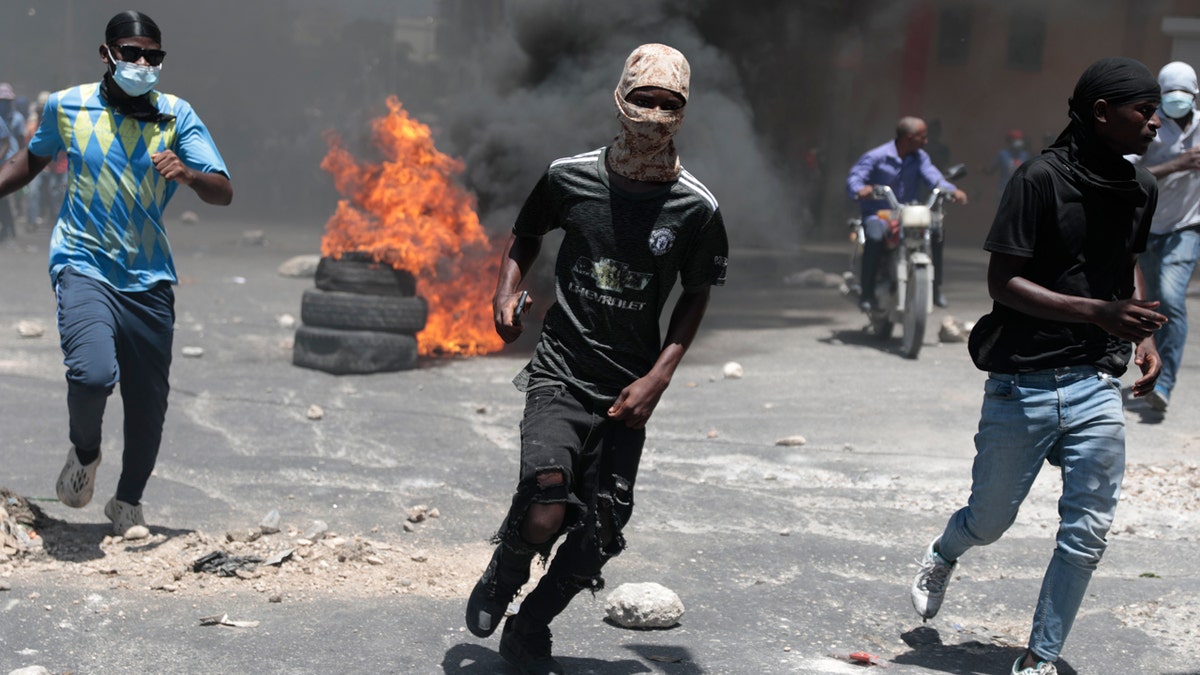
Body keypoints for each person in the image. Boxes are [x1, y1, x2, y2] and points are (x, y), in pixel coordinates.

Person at [465, 43, 728, 674]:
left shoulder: (697, 208)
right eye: (644, 100)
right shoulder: (569, 177)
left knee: (602, 530)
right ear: (619, 100)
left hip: (626, 390)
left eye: (670, 105)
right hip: (561, 368)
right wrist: (505, 293)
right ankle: (506, 570)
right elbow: (526, 234)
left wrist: (658, 378)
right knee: (546, 497)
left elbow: (696, 295)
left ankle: (531, 625)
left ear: (684, 112)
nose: (654, 115)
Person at [909, 57, 1164, 675]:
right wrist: (1098, 312)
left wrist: (1139, 334)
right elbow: (1004, 282)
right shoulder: (1038, 179)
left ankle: (1040, 658)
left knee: (1087, 532)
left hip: (1094, 382)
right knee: (990, 521)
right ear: (1102, 113)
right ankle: (945, 551)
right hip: (1021, 380)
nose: (1156, 122)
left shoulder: (1142, 189)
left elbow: (1128, 257)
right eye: (1144, 110)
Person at [0, 11, 232, 538]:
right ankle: (85, 453)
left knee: (148, 402)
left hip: (149, 277)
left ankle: (128, 503)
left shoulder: (176, 115)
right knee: (92, 375)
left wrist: (189, 174)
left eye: (153, 55)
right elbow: (29, 162)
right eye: (132, 52)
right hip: (82, 263)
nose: (143, 63)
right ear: (107, 54)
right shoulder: (67, 105)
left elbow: (222, 188)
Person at [1126, 61, 1200, 414]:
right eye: (1169, 95)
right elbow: (1127, 171)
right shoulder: (1149, 125)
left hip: (1187, 226)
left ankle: (1166, 381)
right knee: (1151, 304)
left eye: (1183, 95)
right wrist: (1176, 165)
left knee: (1171, 299)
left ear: (1195, 95)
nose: (1176, 101)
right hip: (1147, 227)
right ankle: (1151, 371)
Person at [846, 117, 967, 311]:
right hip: (879, 214)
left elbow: (933, 176)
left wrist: (951, 190)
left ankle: (935, 288)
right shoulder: (876, 156)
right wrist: (861, 189)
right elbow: (855, 179)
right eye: (923, 137)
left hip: (907, 212)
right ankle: (867, 294)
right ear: (909, 138)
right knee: (875, 236)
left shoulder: (920, 157)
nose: (926, 141)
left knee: (936, 231)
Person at [0, 83, 20, 242]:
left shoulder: (15, 117)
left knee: (5, 197)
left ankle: (9, 228)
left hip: (8, 159)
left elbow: (7, 141)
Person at [990, 129, 1030, 198]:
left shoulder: (1025, 155)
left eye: (1019, 139)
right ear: (1009, 141)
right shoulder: (1002, 154)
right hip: (1004, 190)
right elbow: (992, 170)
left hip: (1021, 191)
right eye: (1015, 139)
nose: (1018, 142)